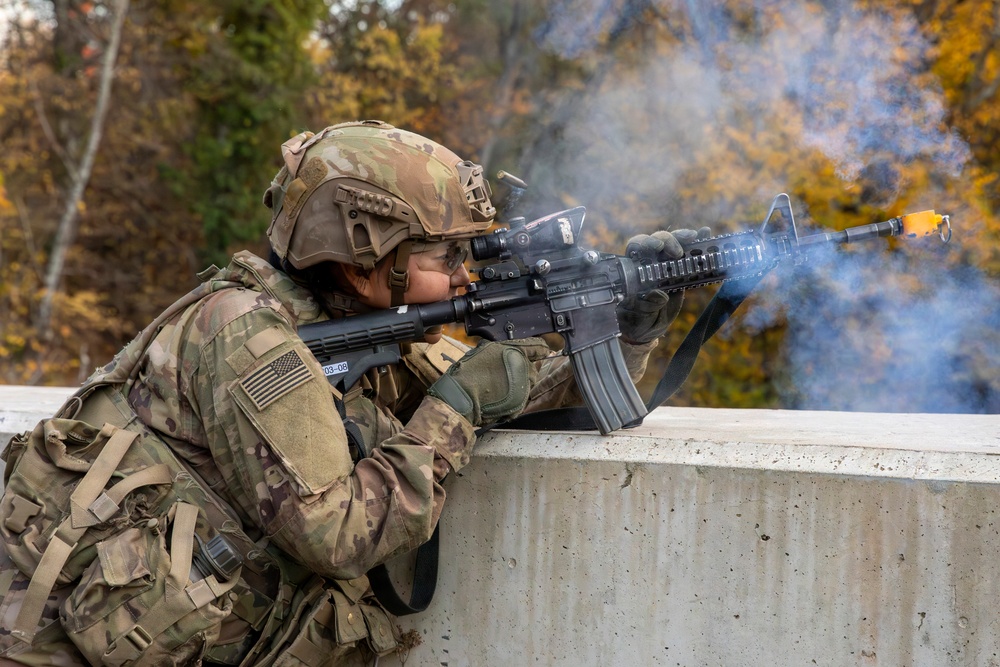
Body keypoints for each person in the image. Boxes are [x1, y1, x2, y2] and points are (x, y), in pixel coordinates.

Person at [0, 120, 696, 666]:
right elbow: (334, 533)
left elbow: (523, 394)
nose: (465, 277)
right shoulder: (249, 339)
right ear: (363, 261)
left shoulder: (347, 330)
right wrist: (456, 409)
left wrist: (627, 328)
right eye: (444, 257)